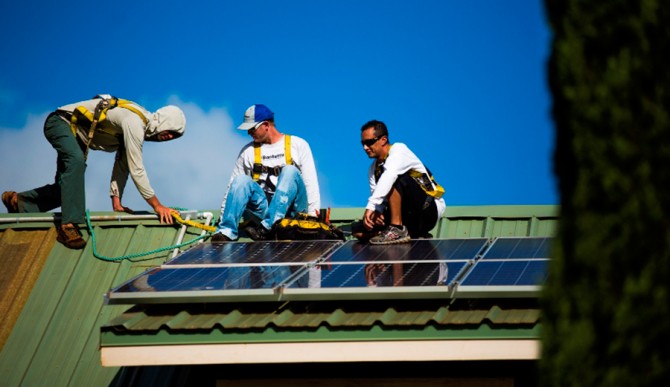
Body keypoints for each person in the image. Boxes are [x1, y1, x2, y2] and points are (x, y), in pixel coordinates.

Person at [1, 94, 186, 249]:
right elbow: (137, 169)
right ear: (163, 121)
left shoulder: (138, 128)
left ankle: (20, 202)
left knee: (67, 190)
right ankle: (68, 226)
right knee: (76, 162)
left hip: (76, 136)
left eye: (174, 137)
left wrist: (117, 202)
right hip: (60, 123)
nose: (169, 137)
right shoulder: (135, 122)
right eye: (170, 131)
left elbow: (123, 165)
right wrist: (157, 206)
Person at [212, 104, 320, 242]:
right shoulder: (248, 152)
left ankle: (269, 228)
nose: (249, 133)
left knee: (290, 171)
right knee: (241, 180)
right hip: (265, 212)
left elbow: (310, 182)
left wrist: (313, 217)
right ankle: (227, 231)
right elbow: (232, 188)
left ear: (266, 125)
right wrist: (222, 218)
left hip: (294, 214)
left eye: (252, 129)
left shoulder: (298, 145)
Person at [353, 119, 446, 244]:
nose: (365, 147)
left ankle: (397, 229)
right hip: (406, 216)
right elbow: (379, 197)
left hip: (427, 211)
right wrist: (377, 212)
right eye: (362, 143)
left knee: (396, 178)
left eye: (369, 142)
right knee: (357, 229)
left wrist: (371, 206)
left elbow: (389, 177)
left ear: (383, 140)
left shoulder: (399, 151)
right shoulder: (373, 169)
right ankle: (400, 232)